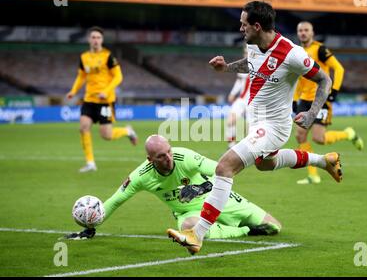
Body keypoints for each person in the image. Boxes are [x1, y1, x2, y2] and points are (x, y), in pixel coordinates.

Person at [167, 1, 342, 255]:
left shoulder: (292, 54)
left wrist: (312, 113)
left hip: (274, 126)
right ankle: (325, 161)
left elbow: (324, 79)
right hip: (257, 122)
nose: (240, 28)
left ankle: (197, 234)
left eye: (243, 23)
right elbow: (251, 65)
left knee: (224, 167)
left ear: (257, 26)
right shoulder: (254, 44)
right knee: (265, 164)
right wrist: (226, 68)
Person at [65, 135, 282, 240]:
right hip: (189, 212)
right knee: (191, 229)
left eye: (169, 151)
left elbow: (222, 169)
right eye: (162, 156)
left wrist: (200, 188)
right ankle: (244, 231)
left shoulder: (184, 156)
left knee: (275, 228)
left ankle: (245, 224)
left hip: (221, 199)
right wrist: (92, 226)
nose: (169, 158)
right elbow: (116, 200)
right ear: (150, 159)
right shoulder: (141, 176)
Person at [293, 21, 364, 185]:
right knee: (300, 135)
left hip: (321, 99)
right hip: (304, 100)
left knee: (319, 138)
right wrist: (295, 100)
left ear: (312, 33)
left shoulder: (320, 49)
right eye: (300, 30)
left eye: (306, 30)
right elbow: (298, 79)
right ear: (297, 34)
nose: (303, 33)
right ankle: (313, 175)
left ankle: (348, 134)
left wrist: (335, 90)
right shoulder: (297, 52)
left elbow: (339, 69)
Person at [66, 26, 138, 173]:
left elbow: (119, 76)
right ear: (89, 39)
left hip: (105, 101)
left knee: (107, 135)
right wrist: (73, 91)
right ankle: (90, 163)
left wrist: (106, 91)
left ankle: (127, 131)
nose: (96, 40)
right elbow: (81, 76)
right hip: (89, 99)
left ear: (102, 40)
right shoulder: (84, 57)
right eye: (93, 37)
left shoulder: (108, 56)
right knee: (83, 127)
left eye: (98, 37)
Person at [226, 48, 251, 148]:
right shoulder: (243, 66)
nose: (246, 54)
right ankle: (231, 146)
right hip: (242, 100)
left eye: (248, 52)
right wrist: (232, 93)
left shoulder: (262, 65)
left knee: (251, 129)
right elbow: (239, 82)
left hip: (254, 103)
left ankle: (249, 150)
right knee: (230, 120)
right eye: (245, 52)